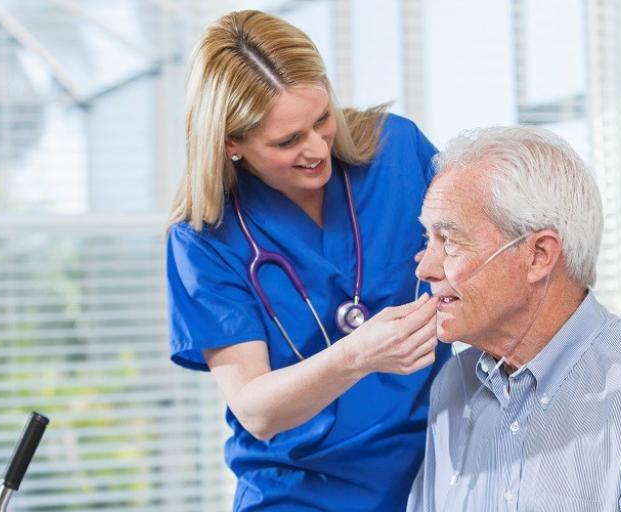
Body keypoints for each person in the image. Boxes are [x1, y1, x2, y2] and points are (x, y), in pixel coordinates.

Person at [165, 10, 449, 511]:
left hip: (438, 470)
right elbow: (255, 409)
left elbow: (482, 250)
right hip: (298, 491)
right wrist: (358, 354)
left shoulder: (398, 151)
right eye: (287, 141)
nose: (317, 148)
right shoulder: (203, 238)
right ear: (231, 143)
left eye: (321, 120)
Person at [406, 126, 621, 511]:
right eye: (426, 240)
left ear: (538, 255)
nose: (425, 268)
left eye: (448, 241)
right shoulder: (454, 386)